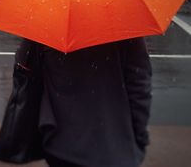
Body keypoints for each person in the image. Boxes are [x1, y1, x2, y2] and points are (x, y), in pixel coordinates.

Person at [14, 37, 152, 167]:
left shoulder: (47, 22)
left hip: (60, 140)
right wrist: (139, 138)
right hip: (111, 142)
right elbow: (138, 86)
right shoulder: (124, 25)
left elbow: (24, 66)